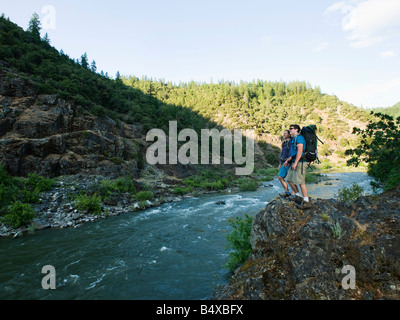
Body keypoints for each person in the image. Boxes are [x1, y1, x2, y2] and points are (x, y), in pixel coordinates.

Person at [283, 124, 311, 209]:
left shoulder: (299, 138)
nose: (289, 130)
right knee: (289, 179)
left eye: (291, 129)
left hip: (300, 162)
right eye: (289, 128)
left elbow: (300, 150)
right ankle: (298, 196)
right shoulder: (293, 139)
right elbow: (294, 152)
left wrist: (295, 163)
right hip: (294, 161)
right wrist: (288, 160)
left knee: (301, 182)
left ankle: (306, 201)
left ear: (296, 129)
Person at [278, 130, 292, 197]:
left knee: (290, 179)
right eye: (283, 133)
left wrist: (289, 161)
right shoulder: (284, 143)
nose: (283, 135)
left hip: (288, 162)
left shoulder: (291, 142)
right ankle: (287, 192)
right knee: (280, 177)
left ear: (289, 135)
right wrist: (280, 163)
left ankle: (295, 193)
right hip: (283, 162)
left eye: (285, 133)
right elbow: (282, 153)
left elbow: (291, 153)